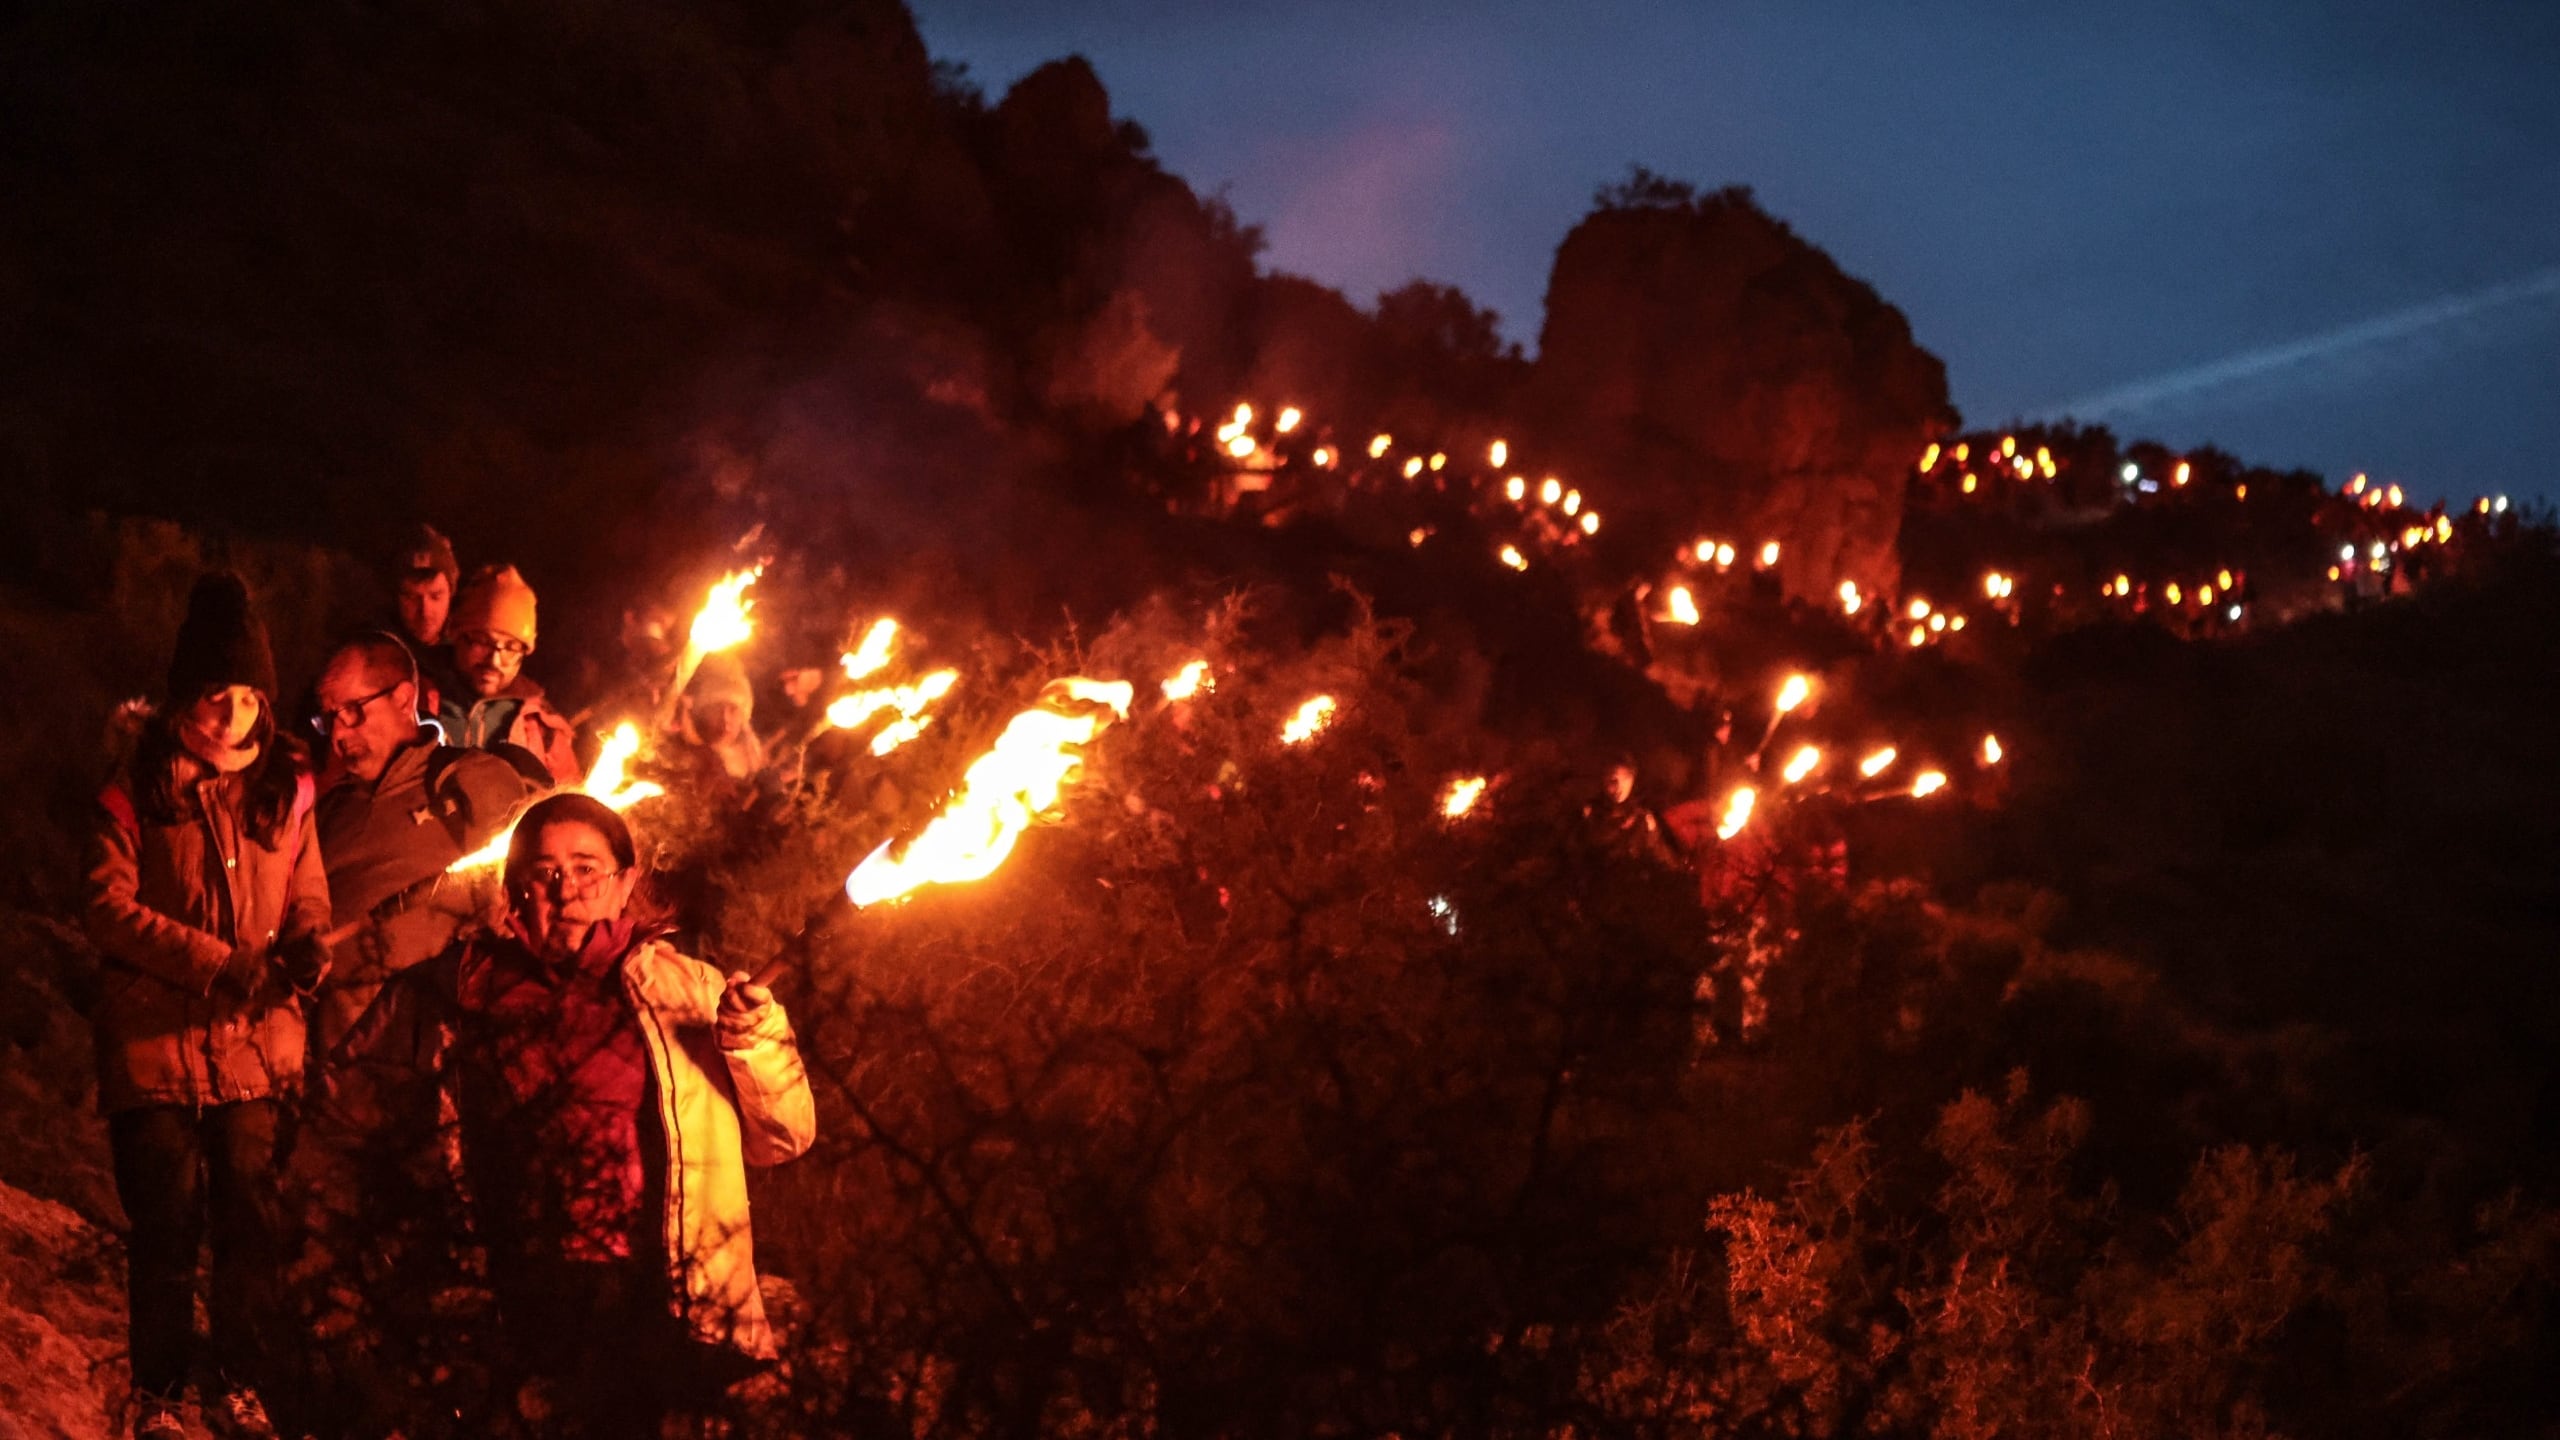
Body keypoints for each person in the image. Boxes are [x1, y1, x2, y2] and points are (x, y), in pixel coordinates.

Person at [333, 794, 815, 1432]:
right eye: (544, 872)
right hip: (514, 1273)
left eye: (587, 868)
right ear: (512, 890)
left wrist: (752, 1039)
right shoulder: (454, 990)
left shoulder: (692, 990)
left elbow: (785, 1137)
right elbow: (352, 1112)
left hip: (653, 1274)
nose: (567, 890)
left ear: (625, 884)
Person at [82, 573, 328, 1440]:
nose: (230, 717)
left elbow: (309, 893)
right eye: (213, 696)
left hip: (256, 1053)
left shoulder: (288, 788)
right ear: (186, 696)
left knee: (249, 1224)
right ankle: (156, 1392)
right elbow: (105, 907)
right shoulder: (135, 788)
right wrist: (216, 963)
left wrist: (308, 951)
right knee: (167, 1222)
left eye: (247, 696)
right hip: (154, 1052)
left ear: (266, 697)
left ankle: (237, 1382)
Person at [310, 632, 548, 1050]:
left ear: (404, 698)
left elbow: (528, 906)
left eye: (351, 711)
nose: (338, 736)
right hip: (331, 1067)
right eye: (328, 719)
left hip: (435, 1057)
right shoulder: (328, 813)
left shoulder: (466, 781)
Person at [435, 564, 580, 785]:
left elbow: (571, 803)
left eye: (511, 647)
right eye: (482, 641)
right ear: (457, 635)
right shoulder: (415, 701)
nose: (494, 660)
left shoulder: (541, 727)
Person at [391, 524, 459, 653]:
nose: (425, 612)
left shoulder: (465, 657)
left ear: (451, 594)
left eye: (436, 597)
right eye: (411, 597)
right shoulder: (374, 652)